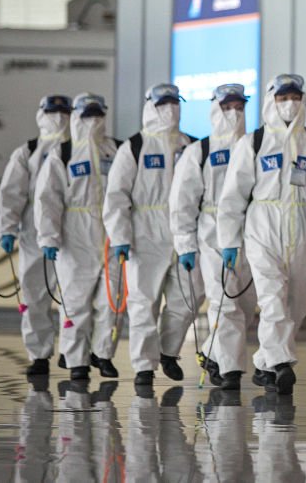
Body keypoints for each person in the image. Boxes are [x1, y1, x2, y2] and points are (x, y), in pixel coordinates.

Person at [217, 74, 306, 395]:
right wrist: (229, 241)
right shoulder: (252, 143)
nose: (290, 103)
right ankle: (282, 363)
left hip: (300, 221)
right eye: (283, 98)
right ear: (272, 101)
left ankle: (265, 363)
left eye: (295, 97)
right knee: (271, 297)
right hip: (263, 223)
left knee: (296, 303)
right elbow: (233, 196)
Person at [103, 83, 197, 386]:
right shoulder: (134, 146)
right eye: (163, 102)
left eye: (174, 101)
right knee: (144, 301)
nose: (170, 107)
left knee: (188, 299)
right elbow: (116, 195)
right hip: (145, 233)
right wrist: (120, 236)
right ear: (150, 106)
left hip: (185, 232)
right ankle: (144, 366)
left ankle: (168, 351)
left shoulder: (192, 146)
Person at [34, 93, 124, 382]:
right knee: (75, 303)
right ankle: (76, 361)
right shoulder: (63, 153)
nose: (93, 120)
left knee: (112, 300)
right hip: (75, 235)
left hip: (112, 233)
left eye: (98, 114)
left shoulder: (117, 150)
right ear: (76, 116)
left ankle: (103, 353)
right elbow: (47, 198)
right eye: (87, 115)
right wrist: (48, 237)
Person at [170, 84, 253, 392]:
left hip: (250, 233)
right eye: (227, 106)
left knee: (244, 306)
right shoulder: (199, 152)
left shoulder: (253, 146)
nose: (234, 112)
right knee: (223, 300)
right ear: (215, 109)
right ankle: (231, 372)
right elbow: (182, 202)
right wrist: (185, 244)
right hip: (212, 234)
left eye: (239, 106)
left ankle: (211, 352)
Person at [0, 95, 72, 376]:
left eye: (64, 111)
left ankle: (71, 351)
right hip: (33, 236)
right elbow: (11, 193)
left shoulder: (79, 150)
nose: (59, 116)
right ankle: (39, 355)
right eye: (54, 111)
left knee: (73, 296)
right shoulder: (27, 152)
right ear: (42, 114)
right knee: (34, 295)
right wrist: (7, 228)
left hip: (73, 236)